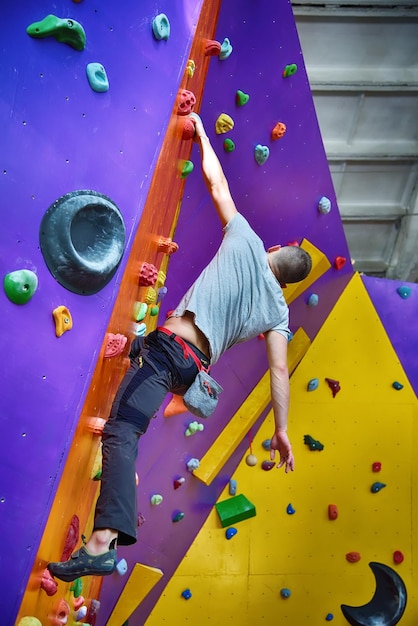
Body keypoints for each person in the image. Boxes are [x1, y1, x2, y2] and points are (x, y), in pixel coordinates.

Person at [48, 113, 312, 582]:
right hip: (185, 366)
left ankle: (101, 543)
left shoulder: (249, 241)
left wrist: (202, 132)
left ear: (275, 251)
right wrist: (282, 429)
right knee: (128, 414)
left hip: (170, 353)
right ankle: (102, 540)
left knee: (121, 430)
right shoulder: (280, 314)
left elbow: (216, 182)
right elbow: (279, 373)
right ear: (287, 283)